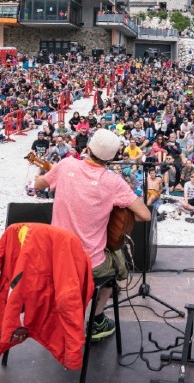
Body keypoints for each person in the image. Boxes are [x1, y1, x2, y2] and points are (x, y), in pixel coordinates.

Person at [33, 129, 152, 341]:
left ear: (87, 148)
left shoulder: (66, 164)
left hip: (55, 257)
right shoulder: (114, 182)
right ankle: (96, 321)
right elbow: (145, 215)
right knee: (118, 266)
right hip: (88, 262)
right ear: (113, 157)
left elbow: (39, 184)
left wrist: (37, 176)